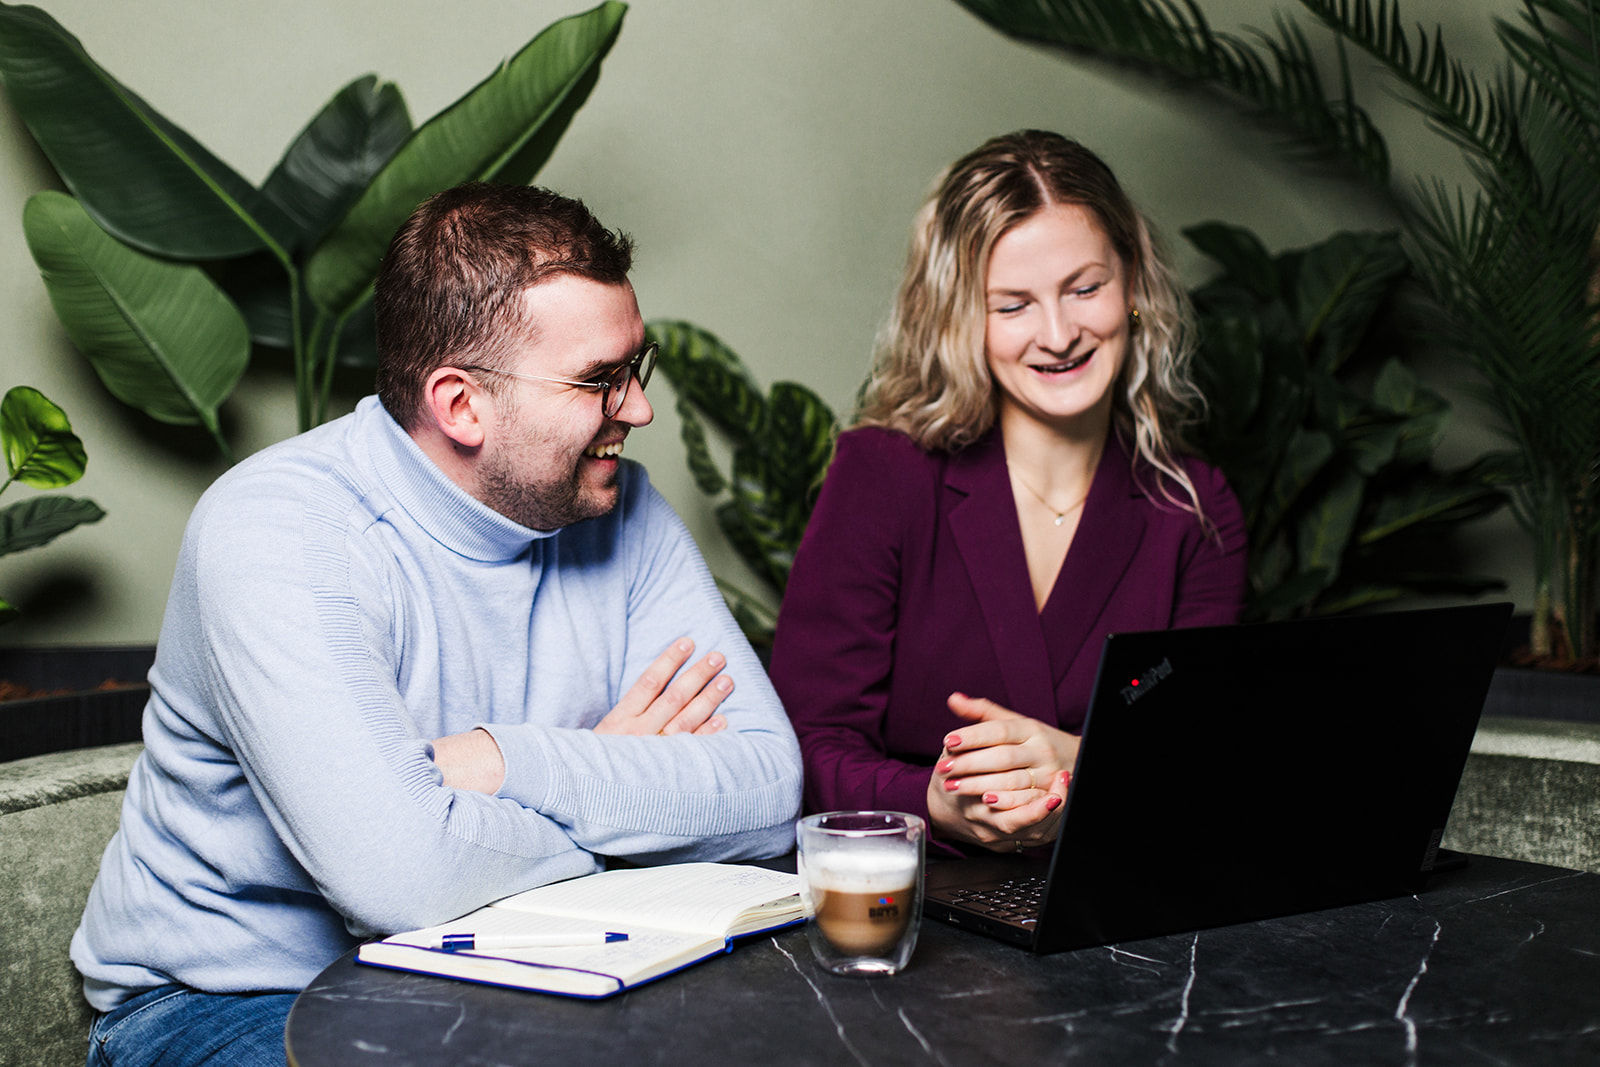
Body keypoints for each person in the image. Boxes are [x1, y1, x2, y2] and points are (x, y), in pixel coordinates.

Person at [73, 183, 803, 1067]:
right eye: (599, 381)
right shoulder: (278, 530)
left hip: (527, 966)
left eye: (632, 368)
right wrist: (624, 804)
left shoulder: (623, 509)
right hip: (230, 1001)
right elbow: (404, 876)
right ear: (461, 405)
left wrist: (499, 763)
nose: (638, 409)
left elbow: (767, 789)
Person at [768, 130, 1247, 855]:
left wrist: (1078, 762)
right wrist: (929, 804)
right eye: (1013, 305)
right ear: (961, 320)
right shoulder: (882, 475)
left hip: (1113, 898)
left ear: (1135, 288)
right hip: (915, 900)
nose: (1058, 334)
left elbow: (1197, 753)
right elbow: (805, 745)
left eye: (1085, 288)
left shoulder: (1195, 508)